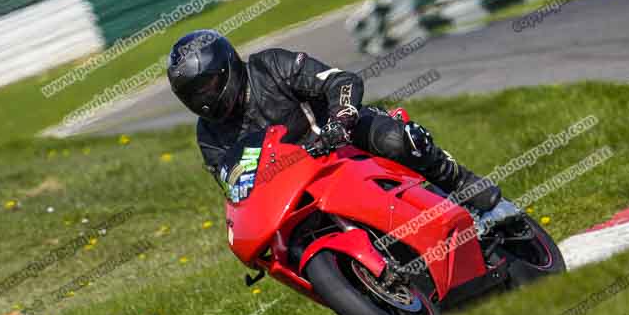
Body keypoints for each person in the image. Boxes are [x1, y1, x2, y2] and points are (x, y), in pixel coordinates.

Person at [166, 29, 501, 211]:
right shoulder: (208, 135)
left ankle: (460, 181)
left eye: (207, 86)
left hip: (341, 140)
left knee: (396, 140)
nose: (204, 99)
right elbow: (233, 190)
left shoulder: (271, 67)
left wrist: (341, 120)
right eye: (193, 94)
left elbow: (340, 80)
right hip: (296, 190)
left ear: (227, 68)